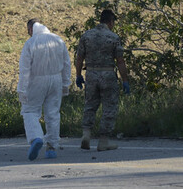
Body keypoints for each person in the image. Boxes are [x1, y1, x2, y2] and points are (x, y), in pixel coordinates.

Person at [74, 9, 131, 151]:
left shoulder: (87, 36)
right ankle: (103, 140)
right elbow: (120, 61)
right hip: (108, 75)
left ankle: (86, 135)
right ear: (111, 22)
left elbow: (79, 58)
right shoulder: (113, 37)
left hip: (91, 75)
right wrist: (125, 80)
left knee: (90, 106)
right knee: (109, 107)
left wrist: (78, 75)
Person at [17, 18, 72, 161]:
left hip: (36, 80)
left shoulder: (30, 43)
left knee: (30, 111)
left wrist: (22, 90)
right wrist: (65, 84)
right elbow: (66, 63)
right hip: (56, 80)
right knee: (53, 113)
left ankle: (36, 137)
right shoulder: (58, 40)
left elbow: (24, 69)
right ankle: (51, 148)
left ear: (31, 29)